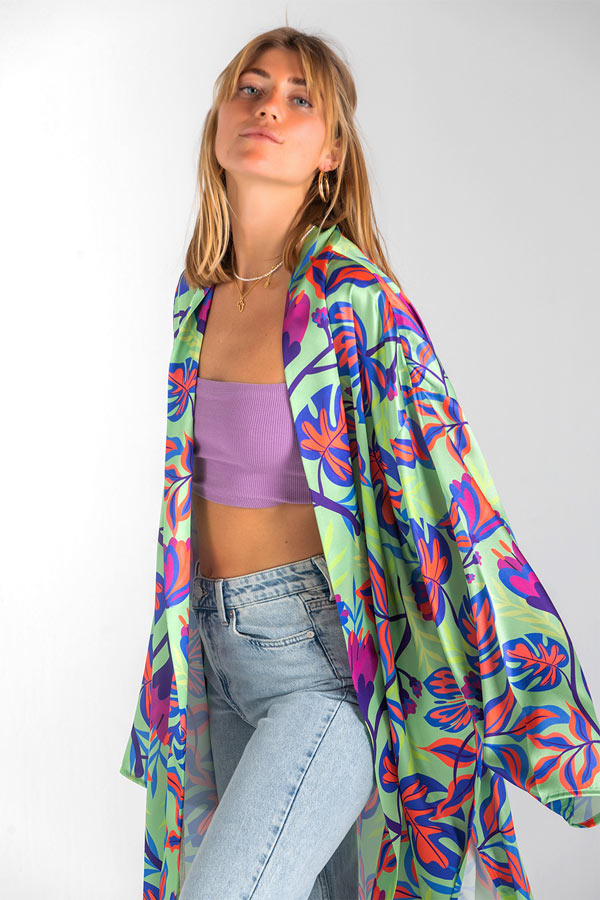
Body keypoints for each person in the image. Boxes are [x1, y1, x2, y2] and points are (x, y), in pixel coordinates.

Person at [120, 26, 600, 900]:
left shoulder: (353, 300)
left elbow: (452, 492)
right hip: (211, 661)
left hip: (323, 672)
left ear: (331, 153)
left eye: (300, 98)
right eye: (250, 88)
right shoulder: (199, 297)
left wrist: (545, 711)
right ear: (218, 120)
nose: (268, 106)